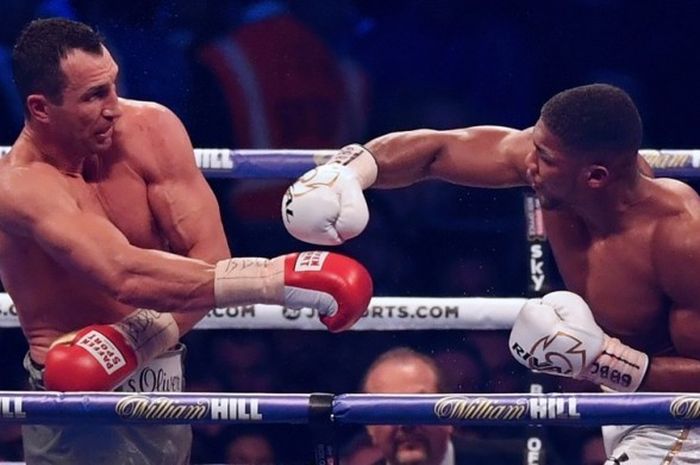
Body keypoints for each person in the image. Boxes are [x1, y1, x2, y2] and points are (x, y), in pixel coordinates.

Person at [1, 17, 372, 465]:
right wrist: (274, 277)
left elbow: (211, 258)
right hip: (76, 398)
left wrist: (134, 342)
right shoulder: (18, 186)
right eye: (94, 96)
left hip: (164, 380)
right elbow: (123, 273)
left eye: (113, 86)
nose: (114, 107)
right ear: (41, 108)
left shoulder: (151, 130)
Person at [283, 83, 700, 463]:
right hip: (629, 409)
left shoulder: (678, 239)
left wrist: (605, 361)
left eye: (546, 158)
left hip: (681, 420)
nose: (529, 162)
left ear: (595, 176)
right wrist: (350, 169)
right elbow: (437, 150)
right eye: (535, 145)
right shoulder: (549, 169)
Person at [359, 347, 523, 465]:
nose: (406, 425)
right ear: (370, 428)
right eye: (390, 411)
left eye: (419, 407)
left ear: (449, 414)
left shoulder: (521, 459)